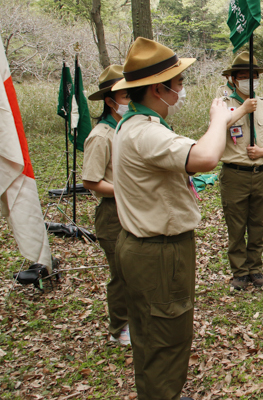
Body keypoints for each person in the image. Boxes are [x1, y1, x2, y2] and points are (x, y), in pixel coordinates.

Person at [111, 37, 255, 400]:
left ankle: (159, 392)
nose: (182, 90)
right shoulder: (146, 132)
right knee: (167, 336)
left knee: (148, 332)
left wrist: (227, 117)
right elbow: (205, 158)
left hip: (142, 247)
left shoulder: (134, 124)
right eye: (178, 84)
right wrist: (218, 119)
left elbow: (201, 146)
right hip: (158, 253)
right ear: (159, 89)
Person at [221, 52, 263, 290]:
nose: (250, 81)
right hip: (234, 175)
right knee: (236, 225)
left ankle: (255, 268)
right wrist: (241, 110)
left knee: (258, 224)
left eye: (254, 76)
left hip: (261, 174)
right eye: (244, 76)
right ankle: (239, 272)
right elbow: (216, 130)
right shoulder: (223, 106)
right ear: (233, 79)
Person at [82, 65, 130, 346]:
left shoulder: (130, 127)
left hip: (134, 209)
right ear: (110, 101)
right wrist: (125, 191)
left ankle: (135, 319)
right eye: (124, 96)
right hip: (113, 213)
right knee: (121, 273)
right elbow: (91, 181)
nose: (129, 101)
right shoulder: (101, 136)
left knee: (137, 270)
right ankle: (119, 327)